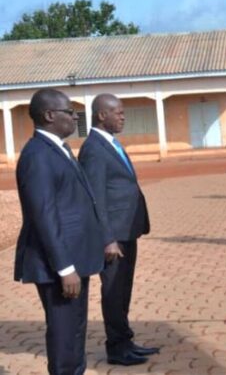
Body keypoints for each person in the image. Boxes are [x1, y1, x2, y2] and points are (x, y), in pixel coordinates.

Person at [14, 88, 106, 375]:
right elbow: (44, 216)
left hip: (74, 259)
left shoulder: (58, 149)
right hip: (59, 265)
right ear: (50, 115)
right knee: (65, 335)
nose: (74, 117)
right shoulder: (38, 155)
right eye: (69, 111)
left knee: (75, 331)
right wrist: (65, 268)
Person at [78, 94, 158, 366]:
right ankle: (116, 348)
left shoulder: (109, 144)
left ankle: (125, 341)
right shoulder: (93, 149)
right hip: (113, 236)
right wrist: (107, 238)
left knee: (123, 289)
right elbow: (96, 197)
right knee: (113, 291)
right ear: (102, 115)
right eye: (118, 112)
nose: (123, 116)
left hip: (126, 231)